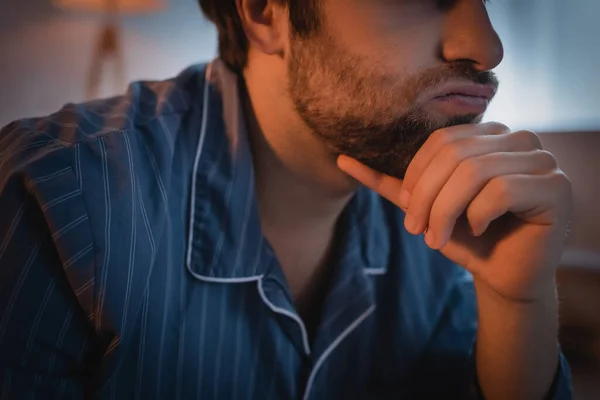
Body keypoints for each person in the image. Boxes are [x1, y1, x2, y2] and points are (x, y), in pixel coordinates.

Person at [0, 0, 573, 398]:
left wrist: (517, 304)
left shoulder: (446, 215)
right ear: (265, 13)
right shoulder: (58, 196)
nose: (487, 47)